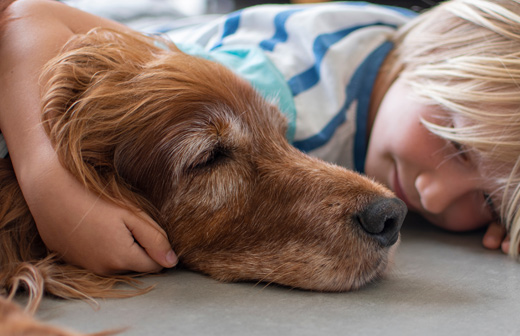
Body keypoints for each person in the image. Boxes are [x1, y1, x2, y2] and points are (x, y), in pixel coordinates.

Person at [0, 0, 517, 279]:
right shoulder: (274, 87)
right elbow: (23, 14)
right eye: (456, 146)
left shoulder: (441, 53)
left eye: (487, 199)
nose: (433, 195)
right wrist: (51, 182)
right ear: (420, 59)